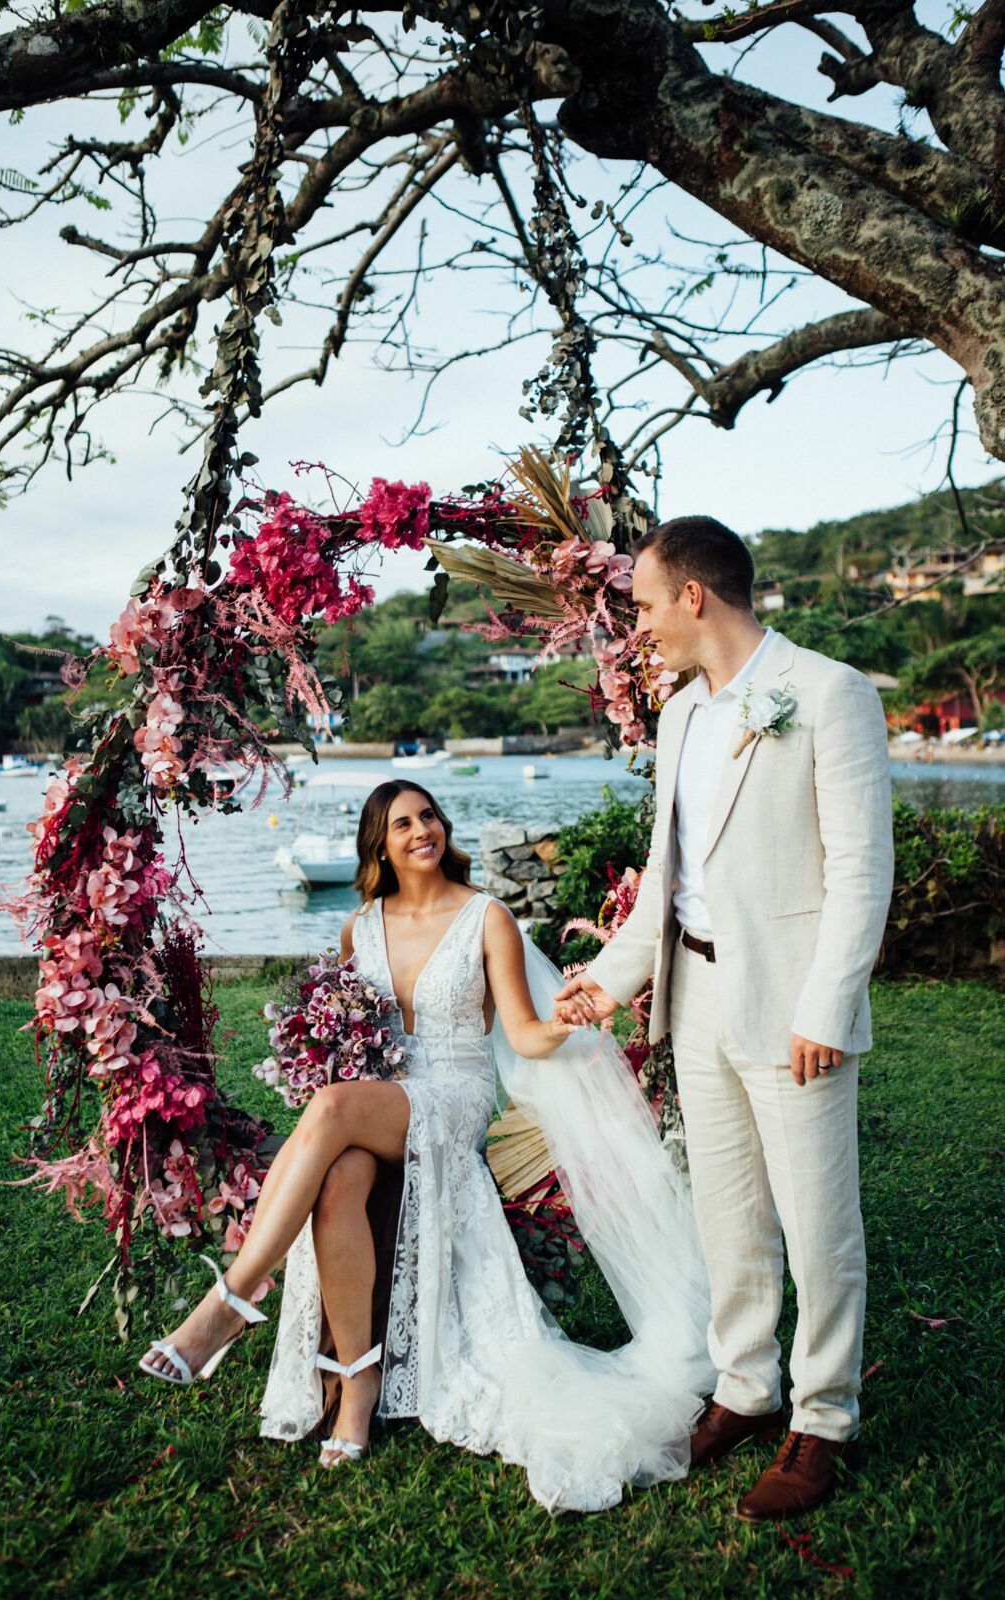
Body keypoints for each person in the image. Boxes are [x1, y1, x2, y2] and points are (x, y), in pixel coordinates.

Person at [140, 781, 712, 1513]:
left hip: (453, 1098)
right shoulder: (359, 928)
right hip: (383, 1101)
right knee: (340, 1177)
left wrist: (571, 1020)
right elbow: (353, 1030)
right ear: (379, 844)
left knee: (332, 1107)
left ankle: (232, 1297)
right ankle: (358, 1389)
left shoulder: (486, 917)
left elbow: (522, 1032)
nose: (422, 831)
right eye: (403, 823)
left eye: (429, 816)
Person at [557, 516, 893, 1522]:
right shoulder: (678, 718)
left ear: (692, 596)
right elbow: (669, 876)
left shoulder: (827, 693)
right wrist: (610, 980)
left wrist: (826, 1005)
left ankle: (823, 1418)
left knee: (816, 1223)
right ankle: (746, 1389)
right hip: (695, 998)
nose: (640, 626)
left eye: (646, 605)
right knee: (727, 1212)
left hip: (794, 1004)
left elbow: (860, 871)